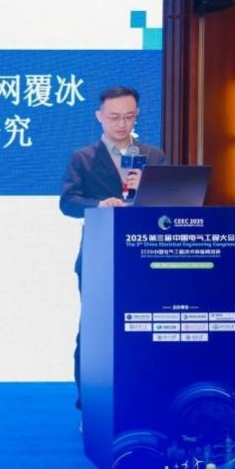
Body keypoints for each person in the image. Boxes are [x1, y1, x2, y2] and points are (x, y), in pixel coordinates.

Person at [59, 85, 167, 409]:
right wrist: (99, 204)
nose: (122, 124)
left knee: (144, 329)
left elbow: (170, 202)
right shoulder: (83, 158)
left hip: (145, 256)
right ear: (100, 116)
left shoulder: (153, 157)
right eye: (114, 117)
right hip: (100, 256)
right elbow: (68, 202)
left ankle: (142, 400)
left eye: (128, 117)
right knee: (94, 331)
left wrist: (148, 190)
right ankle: (90, 405)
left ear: (137, 116)